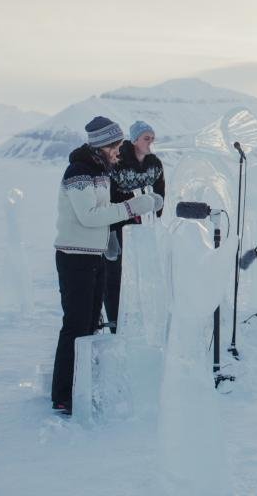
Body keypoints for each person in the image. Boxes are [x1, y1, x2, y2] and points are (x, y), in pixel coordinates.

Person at [51, 116, 162, 414]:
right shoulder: (79, 173)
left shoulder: (101, 172)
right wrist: (131, 207)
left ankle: (84, 384)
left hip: (94, 255)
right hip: (75, 258)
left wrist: (135, 210)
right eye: (116, 145)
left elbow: (104, 212)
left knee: (91, 324)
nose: (119, 151)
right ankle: (64, 395)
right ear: (102, 146)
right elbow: (89, 215)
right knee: (75, 325)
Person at [103, 120, 165, 333]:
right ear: (134, 140)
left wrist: (157, 217)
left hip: (139, 219)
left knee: (140, 270)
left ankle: (139, 317)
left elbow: (160, 191)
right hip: (115, 217)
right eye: (146, 138)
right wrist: (110, 232)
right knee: (115, 272)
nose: (150, 142)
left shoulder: (154, 164)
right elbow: (108, 195)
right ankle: (114, 321)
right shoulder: (119, 161)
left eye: (152, 138)